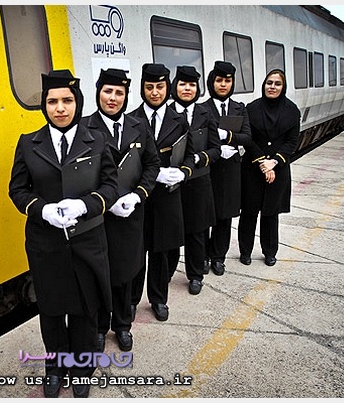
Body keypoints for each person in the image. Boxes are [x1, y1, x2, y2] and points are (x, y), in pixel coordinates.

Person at [8, 69, 118, 398]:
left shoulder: (96, 140)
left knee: (86, 311)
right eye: (52, 101)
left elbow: (111, 187)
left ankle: (81, 369)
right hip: (46, 244)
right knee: (52, 311)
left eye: (67, 100)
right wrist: (42, 210)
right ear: (44, 105)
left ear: (77, 103)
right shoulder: (29, 143)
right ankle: (55, 367)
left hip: (87, 241)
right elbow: (17, 190)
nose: (59, 108)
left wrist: (85, 205)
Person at [81, 68, 160, 352]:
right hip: (98, 218)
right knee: (100, 274)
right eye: (107, 91)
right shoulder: (84, 128)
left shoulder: (139, 125)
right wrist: (105, 201)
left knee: (126, 274)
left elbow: (152, 165)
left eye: (119, 93)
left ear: (126, 96)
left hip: (130, 215)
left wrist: (138, 196)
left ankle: (123, 325)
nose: (112, 98)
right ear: (98, 93)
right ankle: (100, 327)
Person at [128, 63, 189, 321]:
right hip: (139, 198)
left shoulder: (179, 119)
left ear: (168, 88)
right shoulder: (131, 119)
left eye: (160, 87)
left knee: (161, 253)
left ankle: (158, 298)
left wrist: (183, 172)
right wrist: (153, 174)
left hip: (166, 196)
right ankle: (131, 301)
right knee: (136, 252)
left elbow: (190, 152)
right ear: (142, 89)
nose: (155, 92)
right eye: (149, 87)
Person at [238, 68, 301, 266]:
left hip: (278, 168)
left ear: (283, 87)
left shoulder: (292, 111)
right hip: (253, 167)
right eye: (269, 83)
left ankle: (270, 252)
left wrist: (273, 162)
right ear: (264, 85)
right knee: (249, 212)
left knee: (271, 213)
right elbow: (248, 139)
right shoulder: (251, 109)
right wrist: (262, 162)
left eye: (277, 84)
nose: (272, 87)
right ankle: (245, 251)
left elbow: (292, 142)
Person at [170, 65, 221, 295]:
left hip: (199, 181)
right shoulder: (167, 112)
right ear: (175, 86)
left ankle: (195, 275)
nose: (187, 89)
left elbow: (216, 149)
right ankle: (167, 272)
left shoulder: (205, 113)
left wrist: (200, 157)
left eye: (192, 85)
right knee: (171, 232)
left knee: (197, 232)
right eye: (183, 84)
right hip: (172, 183)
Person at [200, 61, 253, 276]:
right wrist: (216, 148)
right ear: (212, 82)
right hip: (208, 169)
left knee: (225, 216)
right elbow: (197, 137)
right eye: (219, 80)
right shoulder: (202, 109)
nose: (223, 85)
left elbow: (247, 138)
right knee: (204, 215)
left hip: (231, 169)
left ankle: (218, 257)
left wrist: (229, 137)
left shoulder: (239, 108)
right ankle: (202, 256)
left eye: (227, 81)